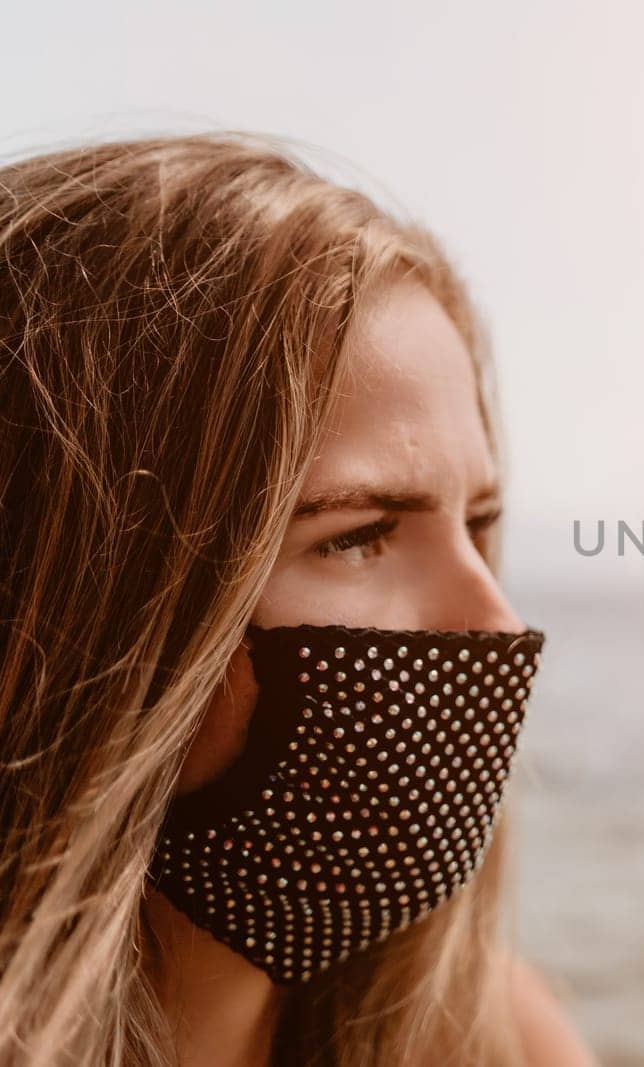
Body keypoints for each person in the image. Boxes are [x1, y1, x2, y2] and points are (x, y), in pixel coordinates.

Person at [0, 133, 596, 1066]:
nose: (500, 624)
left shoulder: (490, 1036)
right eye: (357, 534)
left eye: (477, 523)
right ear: (88, 604)